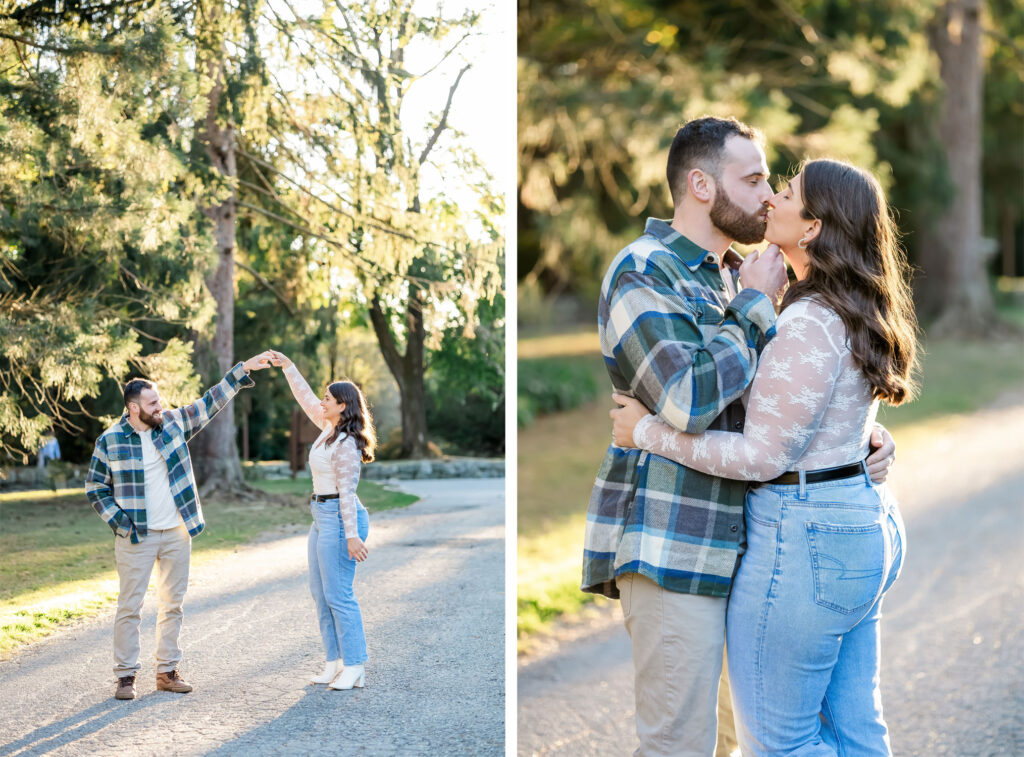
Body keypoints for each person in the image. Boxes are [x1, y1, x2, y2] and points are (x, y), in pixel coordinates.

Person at [581, 116, 896, 757]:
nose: (766, 194)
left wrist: (856, 438)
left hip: (757, 549)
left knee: (738, 743)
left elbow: (781, 401)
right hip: (679, 547)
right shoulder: (646, 271)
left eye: (772, 183)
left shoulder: (739, 273)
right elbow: (687, 401)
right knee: (683, 746)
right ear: (700, 184)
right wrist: (752, 308)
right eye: (753, 180)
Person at [85, 352, 275, 701]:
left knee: (173, 604)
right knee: (130, 606)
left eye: (159, 401)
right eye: (152, 403)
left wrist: (244, 369)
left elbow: (209, 402)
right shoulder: (110, 441)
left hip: (176, 532)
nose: (160, 407)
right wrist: (122, 525)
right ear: (132, 408)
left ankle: (167, 671)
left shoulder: (172, 423)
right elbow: (95, 488)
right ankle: (126, 676)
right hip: (136, 536)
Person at [268, 349, 374, 691]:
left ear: (343, 405)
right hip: (320, 517)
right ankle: (334, 662)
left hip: (340, 519)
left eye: (328, 398)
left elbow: (346, 492)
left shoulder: (346, 443)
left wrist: (352, 536)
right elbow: (305, 397)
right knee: (320, 592)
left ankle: (355, 665)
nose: (322, 402)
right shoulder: (327, 427)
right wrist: (288, 367)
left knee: (339, 594)